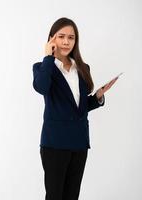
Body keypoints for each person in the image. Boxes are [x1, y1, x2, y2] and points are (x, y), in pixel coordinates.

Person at [32, 17, 118, 200]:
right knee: (55, 196)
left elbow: (79, 107)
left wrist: (97, 97)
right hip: (55, 144)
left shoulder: (82, 68)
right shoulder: (43, 67)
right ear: (51, 39)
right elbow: (42, 87)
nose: (66, 41)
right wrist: (48, 56)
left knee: (72, 196)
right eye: (61, 36)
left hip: (79, 143)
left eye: (71, 37)